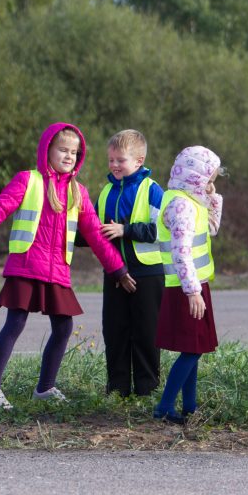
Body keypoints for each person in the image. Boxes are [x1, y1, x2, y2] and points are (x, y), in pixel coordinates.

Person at [0, 123, 135, 410]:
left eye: (74, 153)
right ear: (46, 150)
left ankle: (45, 388)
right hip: (26, 266)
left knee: (64, 327)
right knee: (15, 324)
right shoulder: (29, 180)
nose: (68, 156)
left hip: (57, 272)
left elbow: (96, 237)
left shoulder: (79, 193)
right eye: (62, 150)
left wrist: (118, 269)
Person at [152, 146, 224, 424]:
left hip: (194, 285)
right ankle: (165, 406)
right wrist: (193, 291)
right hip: (186, 288)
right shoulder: (180, 205)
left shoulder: (191, 201)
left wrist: (212, 197)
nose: (211, 184)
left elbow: (213, 228)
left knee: (194, 347)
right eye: (209, 179)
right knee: (192, 349)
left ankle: (190, 407)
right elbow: (180, 251)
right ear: (195, 177)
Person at [94, 129, 165, 397]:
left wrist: (126, 230)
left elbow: (162, 231)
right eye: (110, 160)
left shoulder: (153, 190)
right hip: (114, 273)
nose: (114, 166)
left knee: (146, 334)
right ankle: (117, 390)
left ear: (139, 160)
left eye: (120, 160)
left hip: (148, 274)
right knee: (115, 332)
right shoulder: (105, 191)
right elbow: (96, 231)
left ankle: (147, 390)